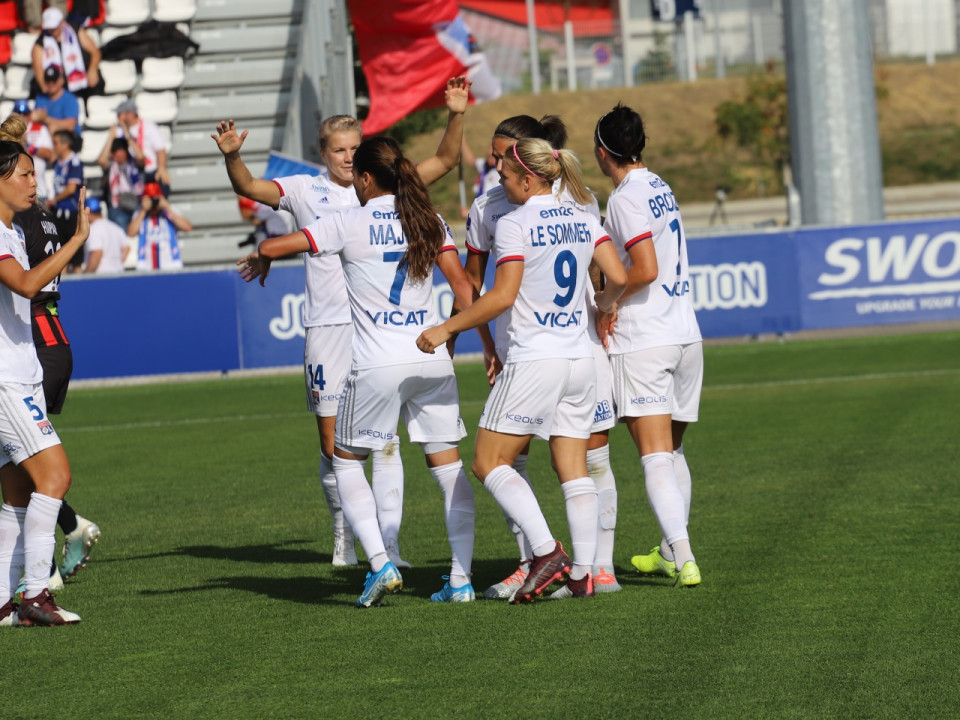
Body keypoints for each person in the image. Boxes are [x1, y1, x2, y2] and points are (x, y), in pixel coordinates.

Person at [213, 77, 472, 569]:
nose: (349, 158)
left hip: (377, 333)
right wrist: (232, 157)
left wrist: (456, 115)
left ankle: (388, 548)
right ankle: (345, 533)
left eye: (355, 148)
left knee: (387, 442)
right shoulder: (304, 190)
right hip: (330, 329)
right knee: (334, 445)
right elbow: (249, 187)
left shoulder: (384, 187)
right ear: (323, 152)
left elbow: (445, 160)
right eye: (339, 150)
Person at [417, 138, 627, 602]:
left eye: (506, 178)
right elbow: (620, 276)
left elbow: (501, 296)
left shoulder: (515, 224)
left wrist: (445, 328)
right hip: (580, 360)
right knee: (573, 469)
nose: (502, 184)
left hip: (536, 359)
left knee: (488, 461)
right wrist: (604, 308)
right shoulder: (583, 215)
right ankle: (583, 577)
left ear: (528, 179)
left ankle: (548, 551)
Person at [593, 104, 705, 588]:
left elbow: (645, 269)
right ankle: (667, 550)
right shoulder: (660, 185)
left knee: (654, 456)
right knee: (673, 453)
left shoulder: (623, 198)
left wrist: (606, 300)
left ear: (602, 152)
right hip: (685, 334)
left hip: (646, 338)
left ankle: (683, 558)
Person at [0, 114, 102, 588]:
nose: (34, 184)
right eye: (25, 175)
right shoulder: (7, 231)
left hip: (29, 361)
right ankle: (38, 588)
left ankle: (14, 595)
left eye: (34, 174)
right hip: (17, 367)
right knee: (48, 475)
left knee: (25, 485)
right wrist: (77, 240)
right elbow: (25, 285)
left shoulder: (16, 231)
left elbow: (23, 287)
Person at [31, 6, 102, 98]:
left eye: (55, 26)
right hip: (59, 88)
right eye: (50, 27)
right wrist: (48, 90)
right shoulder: (40, 43)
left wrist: (92, 70)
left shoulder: (75, 30)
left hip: (84, 81)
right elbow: (38, 70)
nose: (53, 30)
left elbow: (95, 52)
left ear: (62, 22)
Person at [127, 182, 191, 271]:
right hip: (147, 267)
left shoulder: (170, 211)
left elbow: (187, 227)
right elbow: (131, 233)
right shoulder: (139, 213)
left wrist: (167, 208)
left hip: (171, 265)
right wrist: (143, 210)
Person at [47, 128, 83, 270]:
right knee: (60, 254)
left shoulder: (74, 162)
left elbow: (71, 188)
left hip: (71, 213)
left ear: (65, 144)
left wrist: (54, 199)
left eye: (56, 143)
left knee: (76, 257)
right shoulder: (58, 162)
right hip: (59, 213)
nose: (54, 146)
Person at [115, 100, 169, 192]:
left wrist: (161, 169)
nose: (117, 117)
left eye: (120, 114)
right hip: (130, 172)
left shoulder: (149, 127)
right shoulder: (118, 130)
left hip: (150, 171)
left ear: (130, 113)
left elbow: (160, 149)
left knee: (160, 186)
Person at [97, 128, 145, 231]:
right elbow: (101, 160)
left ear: (125, 151)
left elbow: (141, 157)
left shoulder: (134, 164)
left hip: (137, 204)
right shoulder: (111, 166)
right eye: (113, 152)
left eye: (118, 151)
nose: (116, 155)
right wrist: (110, 137)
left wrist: (128, 138)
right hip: (117, 208)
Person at [12, 99, 54, 204]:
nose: (22, 116)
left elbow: (49, 153)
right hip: (17, 193)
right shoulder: (9, 130)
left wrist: (29, 146)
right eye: (18, 113)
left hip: (39, 190)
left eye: (25, 113)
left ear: (30, 114)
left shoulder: (40, 128)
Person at [31, 66, 82, 141]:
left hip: (69, 139)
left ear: (61, 80)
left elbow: (70, 125)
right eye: (48, 81)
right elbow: (35, 117)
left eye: (54, 81)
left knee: (53, 129)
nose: (51, 84)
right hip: (45, 138)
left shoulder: (70, 99)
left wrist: (45, 119)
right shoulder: (40, 98)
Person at [83, 197, 128, 273]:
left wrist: (85, 276)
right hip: (118, 273)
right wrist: (115, 263)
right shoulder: (115, 227)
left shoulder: (93, 229)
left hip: (101, 277)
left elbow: (97, 253)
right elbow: (126, 248)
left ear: (88, 213)